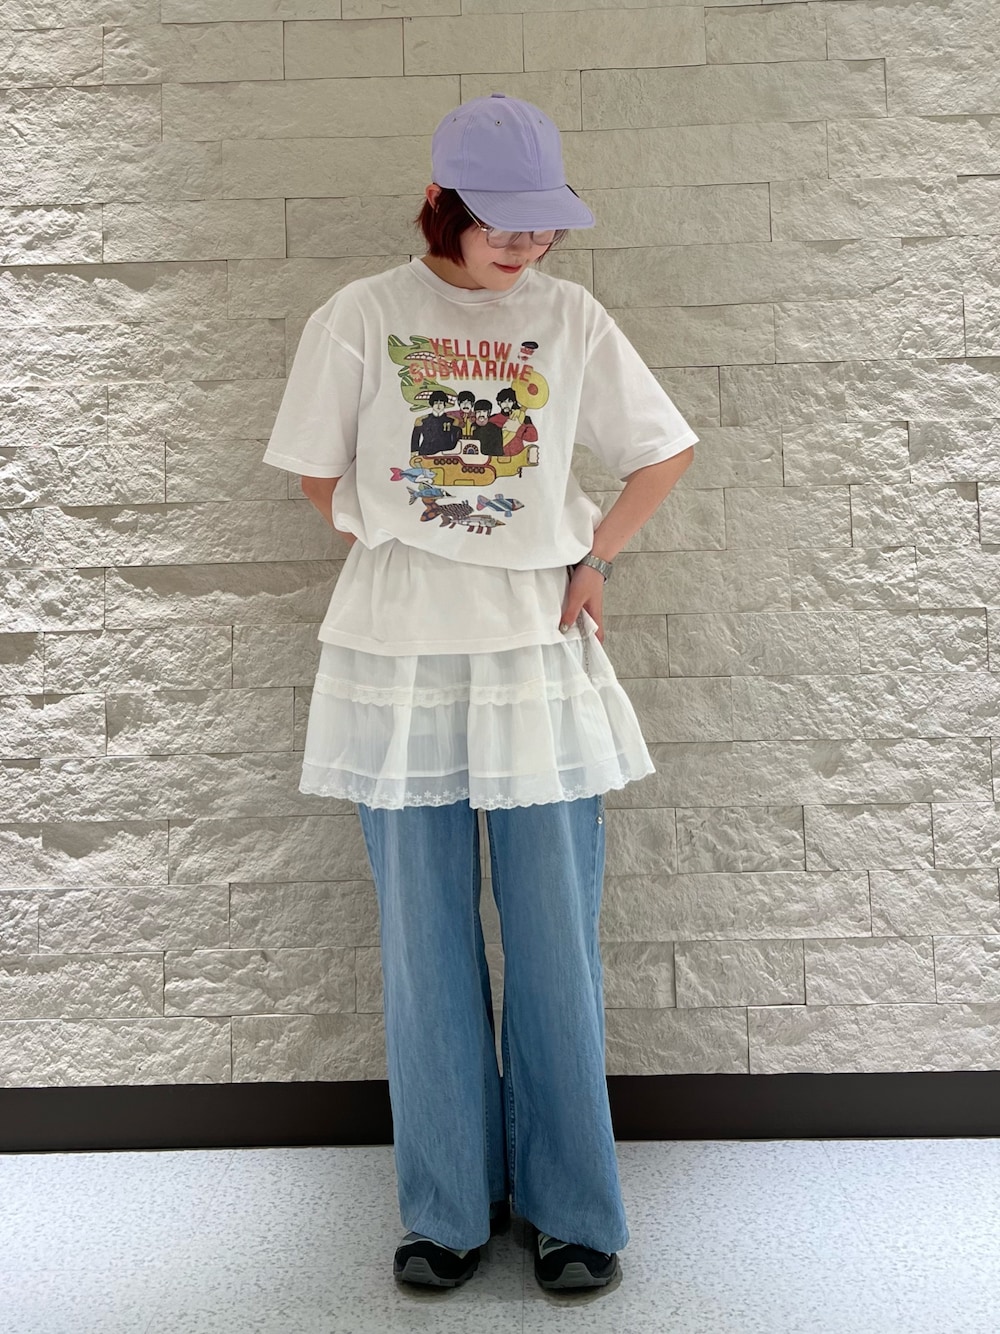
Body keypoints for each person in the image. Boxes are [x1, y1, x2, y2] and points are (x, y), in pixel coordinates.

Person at [261, 93, 698, 1293]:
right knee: (422, 939)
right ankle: (447, 1208)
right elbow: (315, 474)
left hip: (529, 650)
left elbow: (663, 448)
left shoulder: (570, 317)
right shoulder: (363, 315)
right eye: (504, 222)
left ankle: (571, 1209)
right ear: (440, 202)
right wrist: (407, 533)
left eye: (542, 224)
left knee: (555, 931)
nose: (526, 244)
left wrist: (593, 558)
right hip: (397, 652)